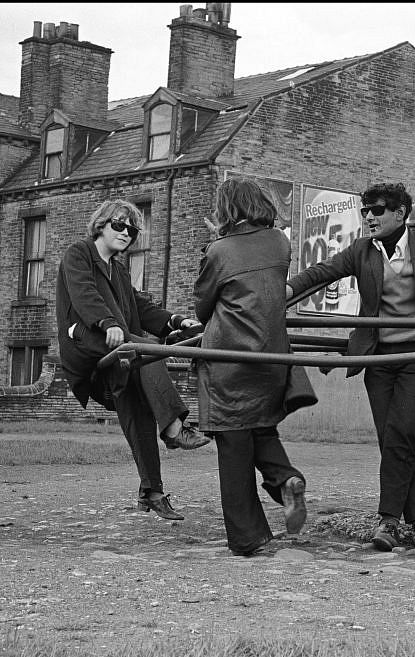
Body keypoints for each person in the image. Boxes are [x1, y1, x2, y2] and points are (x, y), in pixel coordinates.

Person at [286, 182, 415, 554]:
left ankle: (389, 520)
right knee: (393, 438)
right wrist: (284, 291)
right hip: (378, 357)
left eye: (377, 210)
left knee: (401, 430)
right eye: (365, 210)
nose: (369, 217)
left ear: (401, 213)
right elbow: (321, 273)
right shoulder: (361, 251)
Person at [56, 198, 210, 521]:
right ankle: (174, 429)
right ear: (101, 225)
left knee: (137, 400)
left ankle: (151, 492)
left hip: (118, 348)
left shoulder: (119, 268)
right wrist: (107, 322)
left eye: (133, 230)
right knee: (145, 348)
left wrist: (177, 321)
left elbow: (139, 308)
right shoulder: (79, 253)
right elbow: (84, 295)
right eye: (119, 225)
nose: (126, 233)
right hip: (86, 344)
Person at [194, 178, 307, 557]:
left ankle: (249, 537)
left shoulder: (219, 250)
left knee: (233, 445)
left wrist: (214, 243)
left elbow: (202, 306)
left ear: (229, 209)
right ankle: (285, 478)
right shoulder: (280, 242)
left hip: (228, 358)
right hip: (271, 355)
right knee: (261, 428)